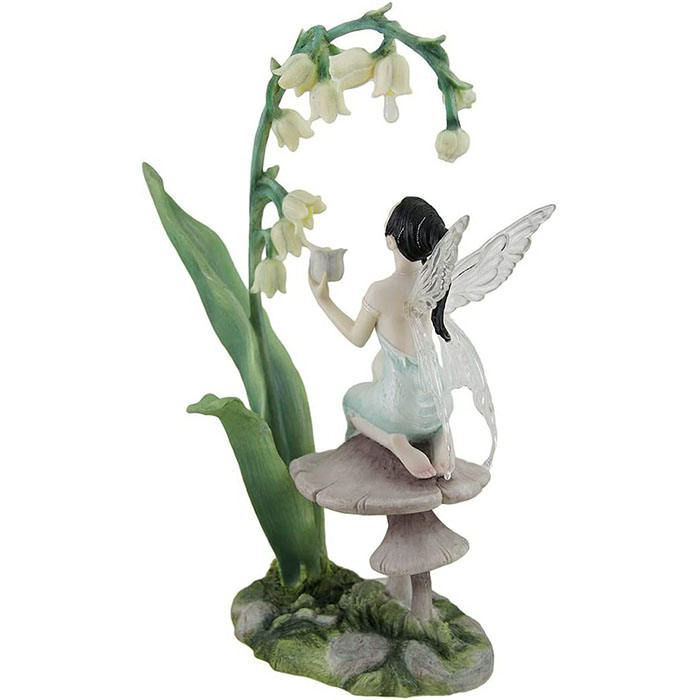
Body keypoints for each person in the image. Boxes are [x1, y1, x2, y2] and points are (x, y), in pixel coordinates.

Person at [309, 196, 453, 479]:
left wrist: (323, 300)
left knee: (350, 401)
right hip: (439, 400)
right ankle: (439, 435)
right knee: (381, 364)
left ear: (391, 240)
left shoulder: (380, 291)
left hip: (400, 411)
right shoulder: (435, 285)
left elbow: (356, 337)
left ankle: (394, 441)